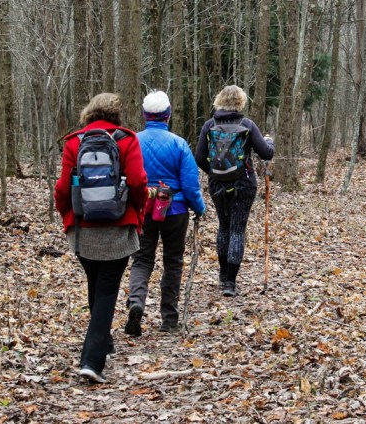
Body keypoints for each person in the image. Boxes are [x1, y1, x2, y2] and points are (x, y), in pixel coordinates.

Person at [54, 93, 148, 383]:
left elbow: (62, 189)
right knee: (106, 289)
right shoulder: (127, 139)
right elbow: (138, 182)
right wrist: (138, 210)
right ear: (117, 114)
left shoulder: (74, 142)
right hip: (117, 227)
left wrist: (67, 216)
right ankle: (92, 361)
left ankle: (104, 342)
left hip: (82, 229)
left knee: (96, 283)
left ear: (89, 112)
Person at [125, 90, 207, 336]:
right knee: (173, 262)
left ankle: (136, 302)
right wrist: (199, 207)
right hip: (175, 210)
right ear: (168, 115)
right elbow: (190, 184)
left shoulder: (132, 142)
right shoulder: (178, 144)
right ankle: (169, 318)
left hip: (143, 209)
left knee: (142, 259)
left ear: (144, 115)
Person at [195, 85, 274, 297]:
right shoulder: (247, 125)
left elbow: (199, 158)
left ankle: (223, 276)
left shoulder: (209, 125)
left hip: (217, 185)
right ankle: (230, 282)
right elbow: (266, 153)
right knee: (237, 229)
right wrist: (269, 141)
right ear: (240, 102)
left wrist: (215, 173)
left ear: (219, 100)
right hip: (244, 184)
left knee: (224, 227)